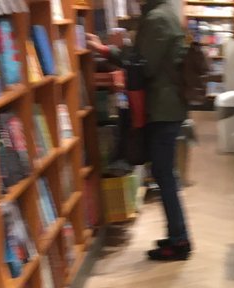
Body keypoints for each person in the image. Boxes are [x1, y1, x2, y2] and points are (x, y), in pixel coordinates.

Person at [90, 2, 191, 262]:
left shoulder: (157, 18)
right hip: (166, 106)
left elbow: (141, 65)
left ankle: (179, 239)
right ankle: (177, 235)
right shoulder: (164, 12)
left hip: (163, 108)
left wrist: (106, 50)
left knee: (164, 174)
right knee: (164, 173)